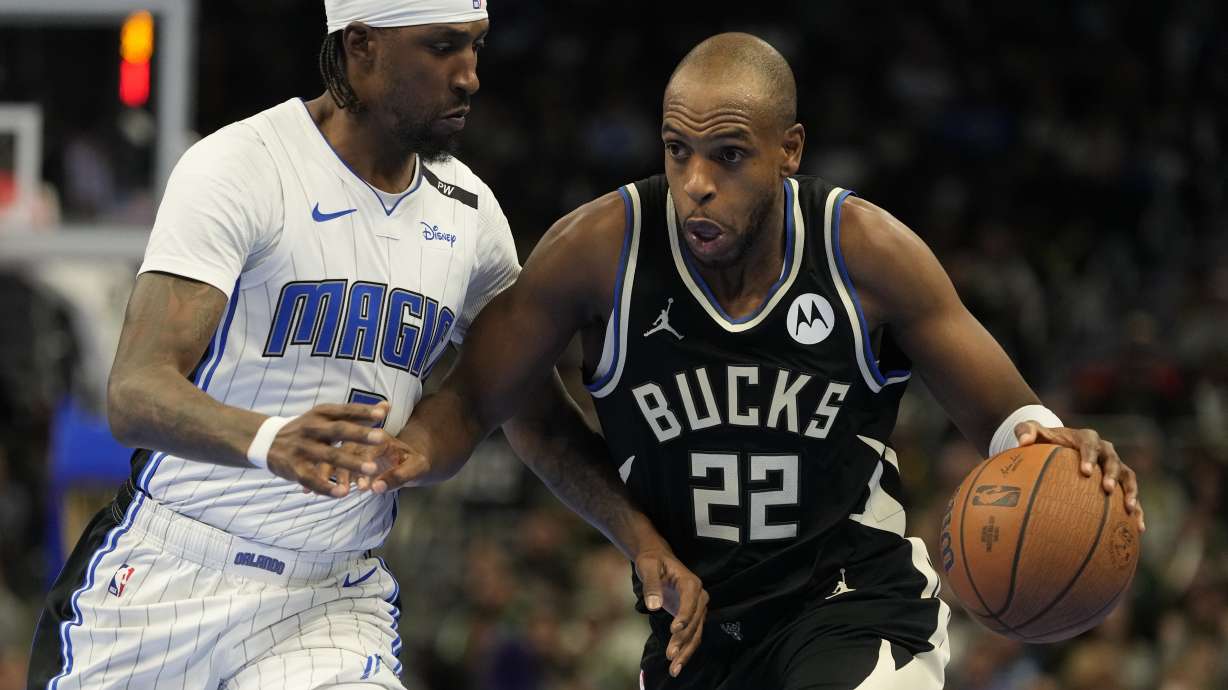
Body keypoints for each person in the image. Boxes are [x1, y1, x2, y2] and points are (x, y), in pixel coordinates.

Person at [366, 32, 1147, 689]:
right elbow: (485, 402)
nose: (696, 185)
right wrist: (406, 454)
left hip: (852, 603)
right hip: (696, 629)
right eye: (678, 152)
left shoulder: (865, 253)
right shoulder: (597, 253)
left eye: (729, 155)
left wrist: (1056, 446)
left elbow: (1005, 418)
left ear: (789, 151)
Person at [27, 3, 705, 688]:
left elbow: (537, 417)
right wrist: (270, 440)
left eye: (475, 46)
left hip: (327, 600)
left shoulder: (469, 215)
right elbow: (136, 390)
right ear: (362, 47)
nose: (469, 75)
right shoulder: (241, 166)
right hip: (169, 574)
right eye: (442, 47)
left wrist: (641, 540)